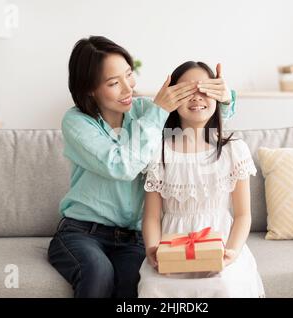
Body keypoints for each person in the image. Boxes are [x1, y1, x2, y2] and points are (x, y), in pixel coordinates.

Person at [47, 36, 237, 298]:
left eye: (129, 75)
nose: (128, 89)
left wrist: (225, 98)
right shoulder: (77, 122)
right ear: (89, 88)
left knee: (133, 284)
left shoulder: (146, 110)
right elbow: (121, 165)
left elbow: (197, 119)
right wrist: (158, 112)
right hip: (83, 232)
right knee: (98, 273)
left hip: (133, 238)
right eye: (114, 83)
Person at [138, 61, 265, 298]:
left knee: (225, 285)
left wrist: (232, 252)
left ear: (218, 96)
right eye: (187, 91)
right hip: (172, 250)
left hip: (220, 248)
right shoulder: (159, 152)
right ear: (172, 100)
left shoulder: (233, 150)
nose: (196, 97)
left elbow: (242, 215)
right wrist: (152, 250)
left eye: (204, 90)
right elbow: (152, 217)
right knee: (154, 288)